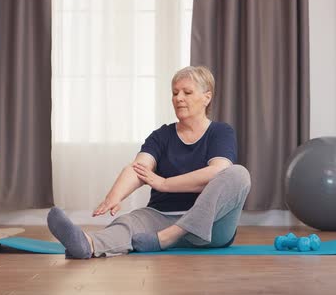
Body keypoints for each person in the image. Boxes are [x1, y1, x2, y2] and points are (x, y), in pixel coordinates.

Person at [47, 66, 251, 259]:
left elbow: (217, 171)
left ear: (207, 97)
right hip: (161, 216)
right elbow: (138, 169)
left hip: (211, 228)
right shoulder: (161, 136)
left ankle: (171, 236)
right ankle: (87, 245)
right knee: (128, 222)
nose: (178, 98)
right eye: (175, 92)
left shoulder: (221, 132)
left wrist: (164, 183)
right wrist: (114, 196)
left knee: (238, 174)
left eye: (187, 93)